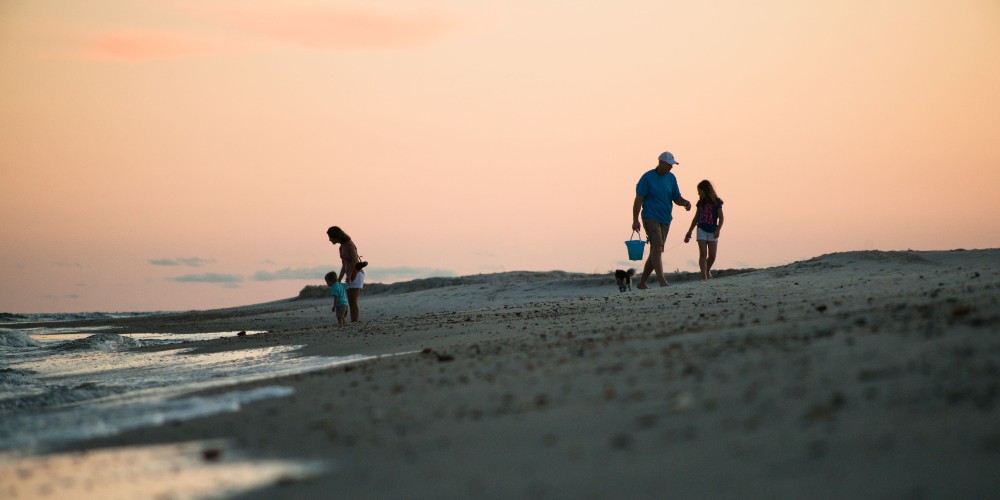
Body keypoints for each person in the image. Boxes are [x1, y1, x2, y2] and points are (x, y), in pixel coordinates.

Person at [631, 151, 692, 288]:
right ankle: (662, 282)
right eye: (669, 165)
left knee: (656, 250)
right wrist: (635, 220)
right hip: (650, 217)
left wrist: (685, 203)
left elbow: (676, 197)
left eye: (672, 165)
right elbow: (638, 200)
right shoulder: (647, 178)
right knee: (657, 248)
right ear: (661, 163)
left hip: (665, 219)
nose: (671, 167)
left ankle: (642, 282)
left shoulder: (671, 178)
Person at [684, 180, 725, 280]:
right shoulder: (700, 203)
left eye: (700, 191)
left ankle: (707, 270)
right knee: (703, 254)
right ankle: (704, 277)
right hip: (701, 230)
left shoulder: (717, 202)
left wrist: (718, 229)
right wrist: (689, 231)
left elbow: (721, 218)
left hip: (713, 231)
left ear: (706, 191)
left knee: (712, 256)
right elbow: (696, 218)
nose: (699, 194)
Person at [326, 226, 364, 322]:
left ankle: (354, 322)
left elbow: (354, 261)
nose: (329, 240)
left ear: (336, 236)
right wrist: (339, 279)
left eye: (330, 237)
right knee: (349, 300)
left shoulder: (349, 245)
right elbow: (344, 264)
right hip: (350, 275)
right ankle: (352, 321)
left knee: (353, 301)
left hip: (357, 274)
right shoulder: (341, 247)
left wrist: (350, 276)